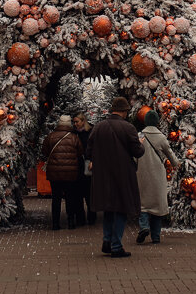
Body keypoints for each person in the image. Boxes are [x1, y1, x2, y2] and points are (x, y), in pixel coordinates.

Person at [85, 96, 144, 258]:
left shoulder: (98, 127)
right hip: (122, 174)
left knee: (109, 209)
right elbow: (138, 151)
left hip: (102, 175)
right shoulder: (128, 128)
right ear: (124, 111)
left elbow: (88, 152)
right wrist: (141, 144)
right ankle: (116, 246)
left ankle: (107, 240)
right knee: (121, 209)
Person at [135, 109, 177, 245]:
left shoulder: (140, 135)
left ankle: (144, 227)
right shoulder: (161, 137)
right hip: (157, 173)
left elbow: (134, 154)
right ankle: (156, 236)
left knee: (143, 203)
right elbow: (170, 154)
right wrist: (177, 164)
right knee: (157, 206)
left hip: (141, 173)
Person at [40, 115, 84, 230]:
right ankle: (71, 222)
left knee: (56, 198)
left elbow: (44, 151)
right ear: (69, 124)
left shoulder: (51, 136)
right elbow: (80, 152)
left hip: (54, 173)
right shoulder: (74, 137)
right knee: (70, 197)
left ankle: (55, 223)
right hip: (70, 173)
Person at [72, 113, 94, 226]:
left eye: (77, 122)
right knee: (78, 194)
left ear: (83, 121)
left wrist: (92, 160)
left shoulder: (90, 132)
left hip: (87, 165)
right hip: (77, 166)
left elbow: (95, 147)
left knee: (90, 194)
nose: (75, 124)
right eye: (74, 122)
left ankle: (91, 217)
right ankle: (80, 219)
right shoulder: (73, 133)